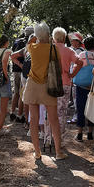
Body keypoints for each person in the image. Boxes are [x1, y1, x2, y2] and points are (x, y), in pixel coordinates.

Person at [21, 22, 67, 160]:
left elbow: (29, 43)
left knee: (34, 120)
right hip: (48, 86)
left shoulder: (32, 47)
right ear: (48, 34)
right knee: (53, 120)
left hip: (32, 86)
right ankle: (58, 152)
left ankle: (37, 152)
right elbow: (58, 67)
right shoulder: (54, 49)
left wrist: (34, 37)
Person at [43, 27, 77, 150]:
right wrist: (72, 74)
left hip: (51, 83)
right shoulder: (69, 51)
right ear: (64, 38)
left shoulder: (49, 49)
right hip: (65, 83)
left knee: (49, 112)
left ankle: (47, 139)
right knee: (62, 112)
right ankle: (59, 140)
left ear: (54, 37)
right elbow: (79, 62)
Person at [69, 36, 94, 141]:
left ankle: (80, 133)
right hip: (93, 86)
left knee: (80, 108)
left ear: (84, 45)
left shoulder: (82, 55)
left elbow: (76, 67)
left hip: (81, 86)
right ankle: (90, 133)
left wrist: (71, 77)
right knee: (92, 109)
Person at [9, 27, 32, 123]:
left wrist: (18, 64)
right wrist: (22, 65)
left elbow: (12, 54)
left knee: (17, 93)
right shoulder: (30, 43)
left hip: (15, 70)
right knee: (23, 93)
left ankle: (12, 112)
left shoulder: (16, 41)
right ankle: (20, 115)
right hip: (24, 71)